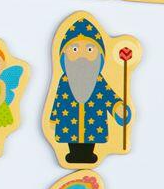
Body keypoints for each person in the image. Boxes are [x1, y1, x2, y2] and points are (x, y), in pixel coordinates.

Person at [48, 16, 130, 164]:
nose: (82, 56)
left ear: (100, 56)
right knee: (71, 139)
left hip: (93, 122)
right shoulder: (65, 80)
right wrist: (54, 117)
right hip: (69, 120)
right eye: (74, 49)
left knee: (90, 139)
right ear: (64, 55)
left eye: (89, 49)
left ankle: (88, 154)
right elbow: (58, 99)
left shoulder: (98, 81)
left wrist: (118, 107)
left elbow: (109, 96)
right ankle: (74, 154)